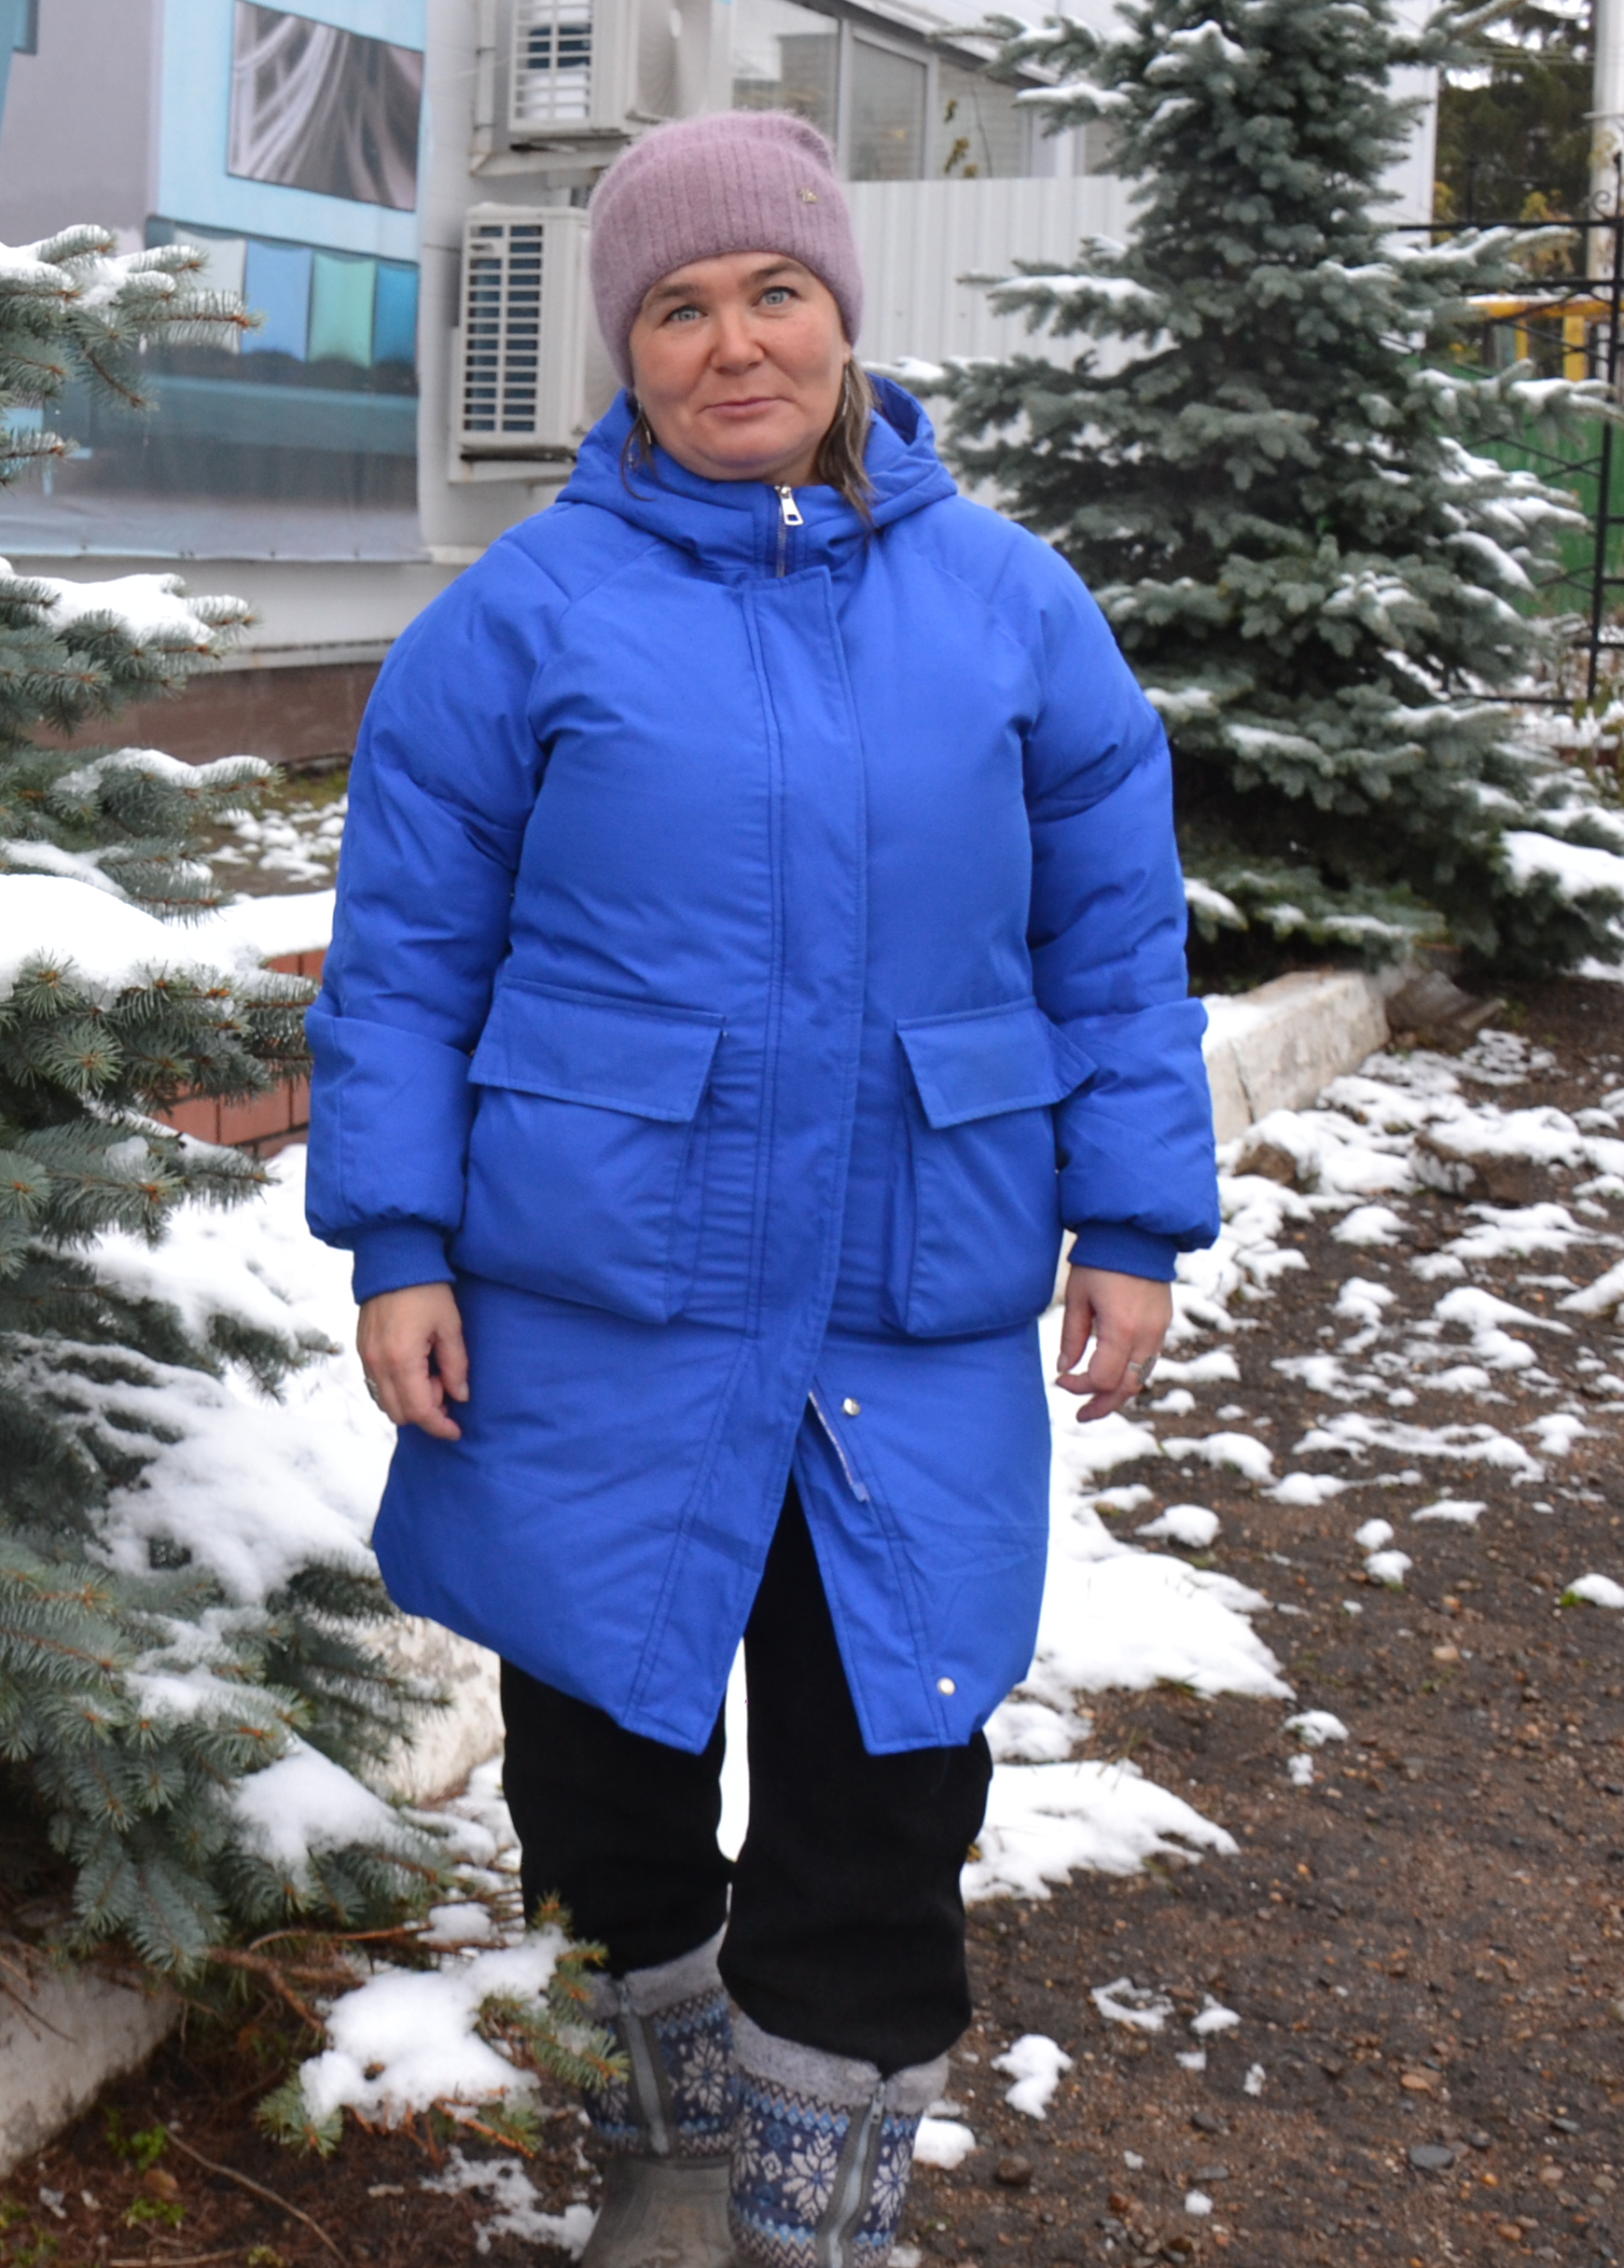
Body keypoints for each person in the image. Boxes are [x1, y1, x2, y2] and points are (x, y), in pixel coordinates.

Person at [303, 110, 1215, 2268]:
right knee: (603, 1753)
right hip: (596, 1292)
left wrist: (1137, 1218)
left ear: (843, 312)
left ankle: (821, 2220)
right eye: (680, 309)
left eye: (773, 294)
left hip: (915, 1286)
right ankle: (677, 2143)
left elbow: (1114, 932)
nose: (735, 346)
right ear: (626, 348)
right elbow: (408, 957)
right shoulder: (517, 621)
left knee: (887, 1774)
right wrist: (401, 1244)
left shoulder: (1011, 605)